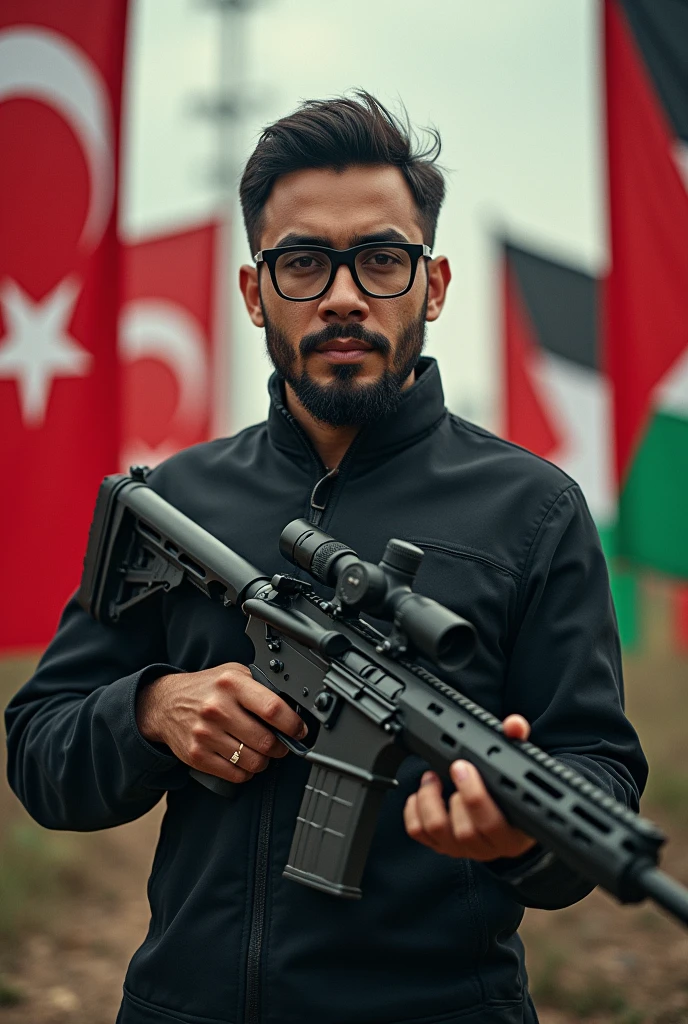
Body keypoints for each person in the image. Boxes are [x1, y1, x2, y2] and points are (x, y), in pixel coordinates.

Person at [5, 92, 647, 1024]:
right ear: (254, 290)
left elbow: (597, 771)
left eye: (381, 259)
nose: (344, 295)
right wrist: (150, 709)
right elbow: (40, 750)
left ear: (432, 284)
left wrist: (518, 835)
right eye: (304, 262)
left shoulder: (534, 509)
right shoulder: (176, 502)